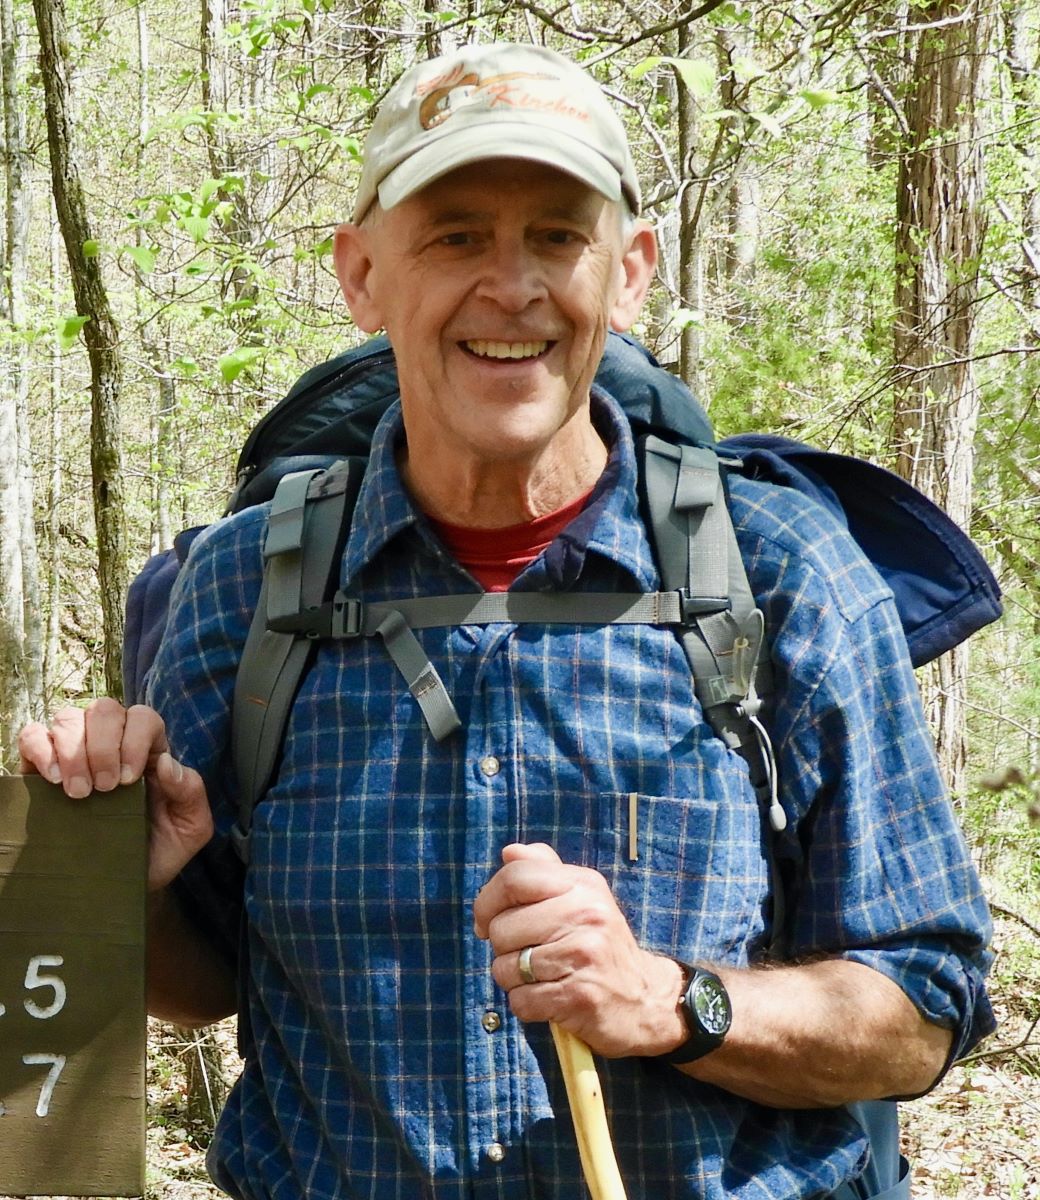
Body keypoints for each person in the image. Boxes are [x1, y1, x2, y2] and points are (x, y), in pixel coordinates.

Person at [20, 41, 994, 1200]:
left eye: (555, 235)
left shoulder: (776, 574)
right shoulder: (250, 586)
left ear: (627, 272)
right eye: (455, 235)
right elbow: (210, 979)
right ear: (361, 273)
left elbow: (921, 1013)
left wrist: (673, 1001)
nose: (511, 285)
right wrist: (120, 883)